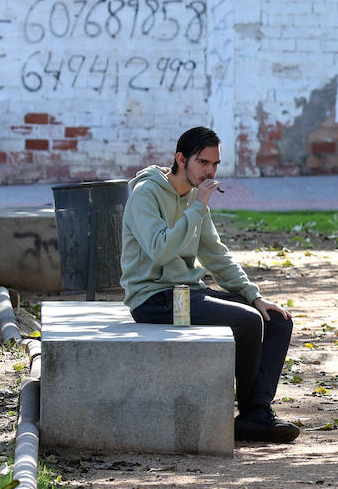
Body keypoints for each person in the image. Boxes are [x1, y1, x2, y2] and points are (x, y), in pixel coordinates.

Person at [120, 126, 298, 444]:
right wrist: (198, 206)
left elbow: (216, 256)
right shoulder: (145, 194)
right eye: (203, 162)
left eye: (215, 164)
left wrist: (255, 296)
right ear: (180, 159)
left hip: (187, 293)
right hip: (154, 299)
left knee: (275, 320)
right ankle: (250, 413)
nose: (210, 171)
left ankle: (255, 414)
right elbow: (160, 249)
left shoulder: (193, 197)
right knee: (246, 321)